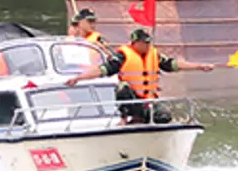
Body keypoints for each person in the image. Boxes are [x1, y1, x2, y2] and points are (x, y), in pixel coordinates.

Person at [64, 26, 213, 122]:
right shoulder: (122, 56)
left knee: (164, 116)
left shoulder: (154, 54)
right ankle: (126, 119)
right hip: (132, 100)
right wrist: (79, 78)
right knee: (122, 88)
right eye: (144, 43)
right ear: (134, 43)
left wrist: (199, 66)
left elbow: (173, 64)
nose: (147, 45)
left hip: (149, 101)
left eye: (149, 42)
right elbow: (102, 70)